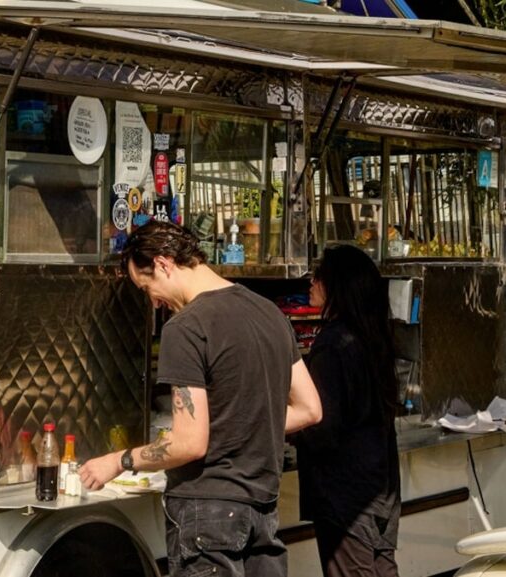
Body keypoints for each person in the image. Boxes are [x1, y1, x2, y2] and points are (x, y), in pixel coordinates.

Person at [79, 221, 323, 577]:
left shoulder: (186, 327)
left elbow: (189, 444)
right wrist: (240, 424)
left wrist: (118, 461)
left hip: (207, 515)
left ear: (163, 264)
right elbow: (309, 409)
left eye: (147, 287)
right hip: (263, 510)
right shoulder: (270, 314)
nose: (153, 300)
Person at [296, 244, 401, 577]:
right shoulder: (372, 337)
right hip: (379, 489)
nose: (310, 282)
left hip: (345, 496)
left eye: (318, 276)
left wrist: (289, 428)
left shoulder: (333, 344)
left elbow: (322, 425)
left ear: (336, 285)